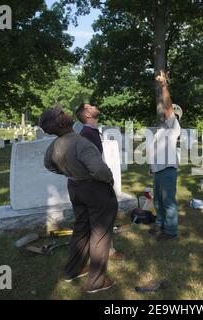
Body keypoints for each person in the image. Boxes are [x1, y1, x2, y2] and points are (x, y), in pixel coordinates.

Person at [40, 106, 117, 293]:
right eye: (61, 112)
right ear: (61, 122)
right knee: (100, 234)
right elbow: (99, 170)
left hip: (75, 188)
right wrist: (109, 179)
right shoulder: (80, 143)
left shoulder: (55, 145)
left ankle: (72, 270)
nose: (64, 111)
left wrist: (69, 172)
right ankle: (96, 282)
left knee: (82, 229)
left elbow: (49, 165)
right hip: (95, 190)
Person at [75, 102, 124, 261]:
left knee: (101, 219)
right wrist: (107, 179)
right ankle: (106, 252)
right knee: (103, 219)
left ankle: (105, 249)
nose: (94, 106)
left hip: (94, 181)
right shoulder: (88, 134)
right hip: (95, 183)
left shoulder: (91, 132)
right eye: (90, 106)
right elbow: (93, 164)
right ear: (87, 115)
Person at [148, 70, 182, 241]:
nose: (163, 112)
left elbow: (168, 106)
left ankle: (171, 231)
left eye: (167, 112)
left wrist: (163, 86)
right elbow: (155, 151)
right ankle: (160, 224)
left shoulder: (173, 126)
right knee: (158, 201)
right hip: (158, 169)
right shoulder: (160, 131)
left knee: (168, 201)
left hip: (168, 169)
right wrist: (150, 166)